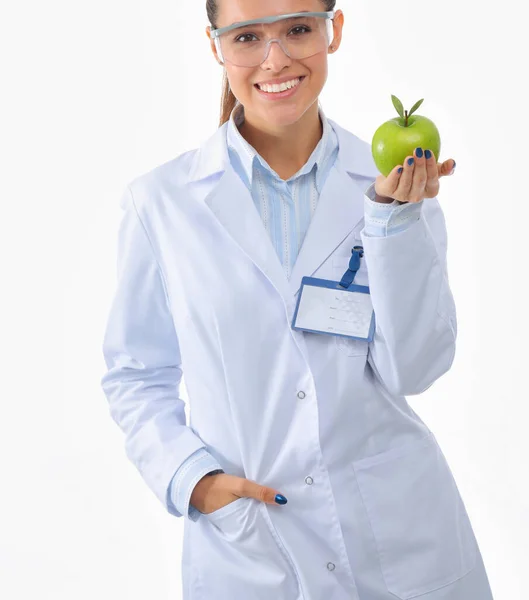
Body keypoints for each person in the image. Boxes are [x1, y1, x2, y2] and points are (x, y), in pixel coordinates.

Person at [100, 1, 495, 599]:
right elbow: (136, 373)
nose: (275, 58)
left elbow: (413, 369)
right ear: (215, 47)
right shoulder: (162, 202)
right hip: (252, 545)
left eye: (298, 29)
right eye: (247, 37)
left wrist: (392, 224)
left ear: (333, 31)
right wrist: (193, 479)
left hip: (403, 538)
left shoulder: (392, 179)